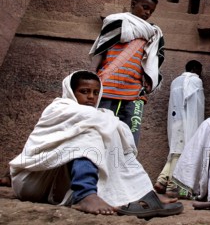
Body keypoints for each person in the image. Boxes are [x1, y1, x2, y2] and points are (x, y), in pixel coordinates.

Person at [9, 71, 183, 218]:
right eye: (84, 91)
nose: (91, 97)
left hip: (61, 184)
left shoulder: (102, 116)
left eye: (95, 92)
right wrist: (111, 122)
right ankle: (85, 195)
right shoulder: (59, 108)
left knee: (117, 140)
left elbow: (112, 129)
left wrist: (113, 124)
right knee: (90, 133)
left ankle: (142, 194)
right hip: (35, 181)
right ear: (71, 91)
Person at [89, 0, 165, 145]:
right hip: (107, 86)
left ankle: (123, 167)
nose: (147, 12)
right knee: (98, 133)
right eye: (144, 7)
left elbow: (154, 59)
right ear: (133, 4)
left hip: (135, 91)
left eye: (151, 10)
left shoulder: (154, 33)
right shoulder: (115, 22)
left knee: (129, 139)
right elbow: (101, 51)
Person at [155, 60, 205, 197]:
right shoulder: (195, 81)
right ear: (195, 69)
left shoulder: (175, 81)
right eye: (200, 70)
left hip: (174, 121)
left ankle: (162, 180)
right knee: (179, 152)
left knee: (175, 150)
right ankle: (172, 185)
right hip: (187, 121)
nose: (201, 74)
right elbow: (196, 107)